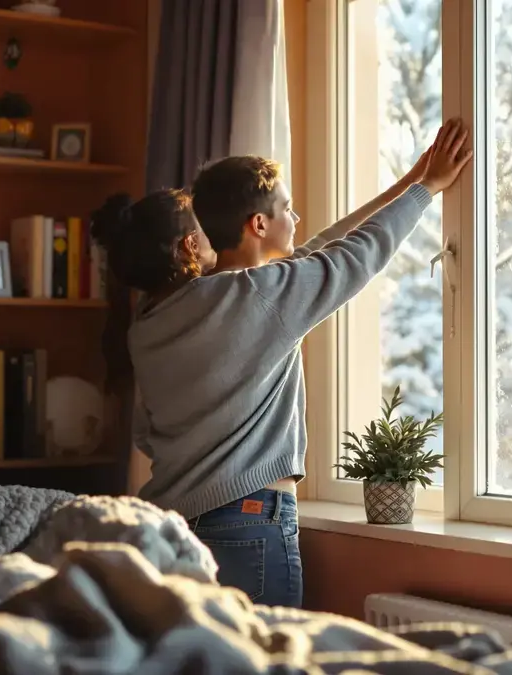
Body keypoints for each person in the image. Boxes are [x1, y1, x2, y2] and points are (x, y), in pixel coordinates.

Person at [96, 118, 472, 608]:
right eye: (287, 209)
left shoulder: (148, 324)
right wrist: (425, 190)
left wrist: (411, 180)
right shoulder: (260, 295)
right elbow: (356, 254)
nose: (296, 217)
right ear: (258, 224)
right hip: (247, 523)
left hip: (176, 529)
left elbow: (147, 434)